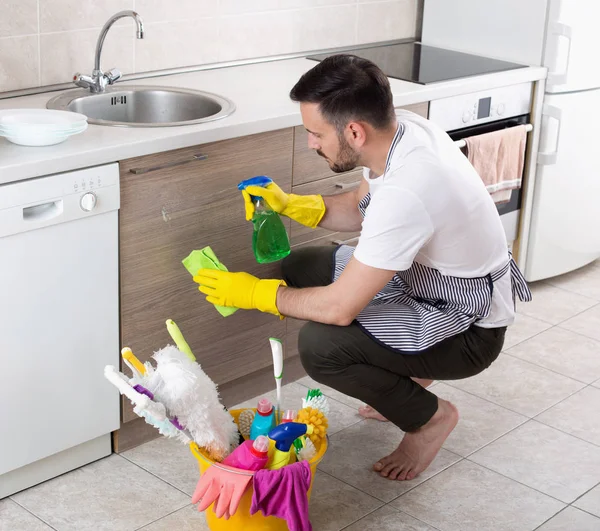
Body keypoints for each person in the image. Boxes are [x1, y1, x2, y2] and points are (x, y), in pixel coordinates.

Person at [194, 54, 532, 482]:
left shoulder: (410, 189)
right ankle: (405, 381)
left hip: (470, 331)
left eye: (316, 134)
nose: (312, 144)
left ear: (354, 131)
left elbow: (339, 309)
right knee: (303, 265)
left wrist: (254, 294)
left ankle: (429, 420)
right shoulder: (402, 131)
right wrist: (291, 204)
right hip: (428, 286)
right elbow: (358, 208)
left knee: (322, 345)